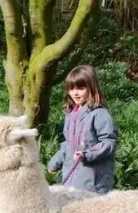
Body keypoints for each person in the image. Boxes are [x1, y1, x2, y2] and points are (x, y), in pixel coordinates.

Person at [47, 65, 118, 194]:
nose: (75, 93)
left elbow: (109, 142)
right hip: (71, 179)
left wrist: (87, 154)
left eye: (80, 88)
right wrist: (56, 161)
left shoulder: (100, 114)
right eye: (71, 89)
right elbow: (68, 144)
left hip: (93, 182)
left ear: (91, 88)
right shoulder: (71, 115)